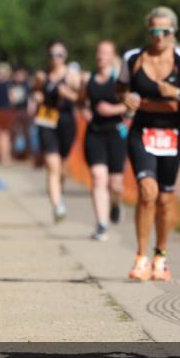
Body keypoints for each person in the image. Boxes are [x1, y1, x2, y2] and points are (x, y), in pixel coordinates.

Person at [118, 7, 180, 281]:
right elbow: (120, 87)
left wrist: (177, 93)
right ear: (148, 32)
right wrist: (125, 97)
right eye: (154, 31)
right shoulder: (133, 58)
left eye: (165, 31)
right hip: (141, 133)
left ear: (174, 33)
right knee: (147, 192)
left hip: (171, 136)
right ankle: (141, 258)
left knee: (165, 200)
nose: (159, 36)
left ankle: (161, 256)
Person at [81, 40, 127, 241]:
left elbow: (131, 104)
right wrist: (85, 111)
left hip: (116, 133)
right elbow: (81, 101)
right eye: (99, 52)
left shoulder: (120, 79)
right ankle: (101, 224)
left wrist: (113, 110)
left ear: (112, 56)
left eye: (105, 53)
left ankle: (115, 204)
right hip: (95, 133)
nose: (101, 56)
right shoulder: (87, 79)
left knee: (115, 184)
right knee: (98, 176)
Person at [32, 39, 80, 222]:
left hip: (66, 122)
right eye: (52, 55)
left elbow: (81, 99)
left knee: (63, 167)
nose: (55, 58)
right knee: (52, 164)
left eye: (59, 55)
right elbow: (35, 91)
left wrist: (69, 94)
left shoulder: (72, 76)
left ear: (65, 56)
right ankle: (57, 205)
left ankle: (58, 192)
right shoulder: (42, 75)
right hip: (46, 119)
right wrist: (37, 94)